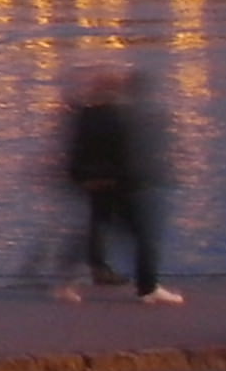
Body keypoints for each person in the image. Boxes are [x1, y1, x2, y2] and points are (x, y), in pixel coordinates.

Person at [58, 63, 180, 305]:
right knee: (142, 235)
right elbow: (122, 151)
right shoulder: (113, 115)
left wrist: (81, 177)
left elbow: (78, 149)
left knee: (95, 231)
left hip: (102, 182)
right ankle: (147, 288)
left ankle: (70, 280)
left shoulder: (89, 113)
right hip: (119, 184)